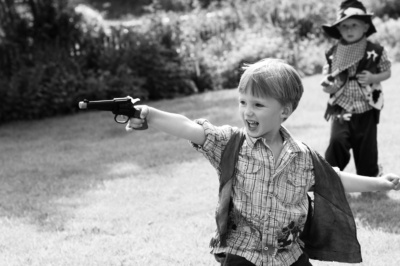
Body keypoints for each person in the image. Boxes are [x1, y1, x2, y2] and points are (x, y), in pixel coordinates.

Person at [126, 58, 399, 266]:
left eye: (258, 105)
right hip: (242, 253)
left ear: (285, 111)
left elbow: (334, 179)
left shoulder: (302, 156)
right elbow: (189, 127)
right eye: (243, 102)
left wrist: (380, 183)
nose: (247, 111)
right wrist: (150, 114)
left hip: (289, 254)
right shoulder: (231, 143)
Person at [320, 0, 391, 181]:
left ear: (365, 27)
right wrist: (330, 86)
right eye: (344, 26)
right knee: (337, 141)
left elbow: (387, 71)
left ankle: (370, 176)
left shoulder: (375, 51)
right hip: (341, 108)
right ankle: (329, 178)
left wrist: (373, 78)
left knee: (366, 147)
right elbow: (328, 78)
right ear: (339, 30)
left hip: (366, 107)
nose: (349, 30)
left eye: (354, 25)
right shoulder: (333, 53)